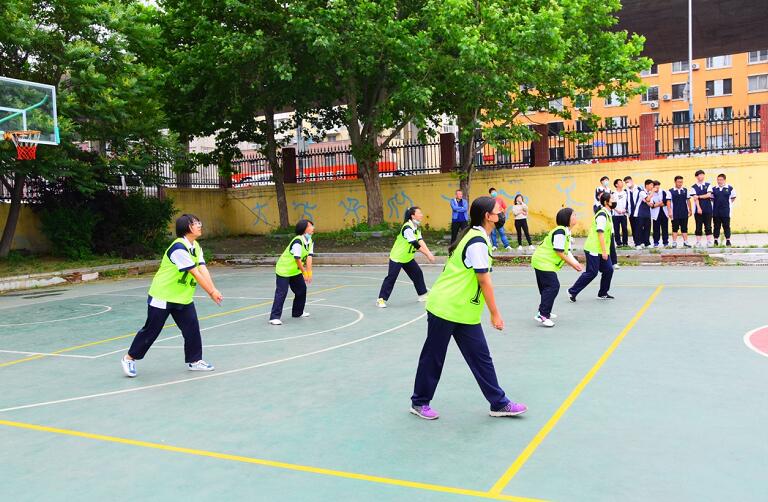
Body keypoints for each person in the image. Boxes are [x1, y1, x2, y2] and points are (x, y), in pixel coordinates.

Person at [410, 196, 527, 420]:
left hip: (464, 310)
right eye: (498, 211)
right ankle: (419, 402)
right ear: (488, 216)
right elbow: (484, 281)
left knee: (481, 358)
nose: (502, 214)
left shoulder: (477, 236)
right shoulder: (477, 242)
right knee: (434, 356)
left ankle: (499, 403)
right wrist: (495, 314)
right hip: (446, 307)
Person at [121, 214, 223, 378]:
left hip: (182, 297)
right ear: (187, 227)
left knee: (192, 329)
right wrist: (211, 292)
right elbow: (195, 273)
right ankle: (129, 358)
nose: (199, 225)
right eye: (196, 223)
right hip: (163, 296)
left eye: (199, 222)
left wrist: (214, 289)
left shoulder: (196, 246)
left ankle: (195, 361)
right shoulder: (178, 249)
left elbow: (202, 268)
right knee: (152, 330)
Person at [531, 208, 582, 327]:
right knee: (553, 286)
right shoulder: (560, 232)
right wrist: (572, 264)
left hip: (543, 262)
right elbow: (559, 251)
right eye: (573, 215)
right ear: (567, 218)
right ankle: (543, 315)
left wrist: (575, 262)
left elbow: (566, 251)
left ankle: (544, 311)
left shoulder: (566, 232)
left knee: (547, 288)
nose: (576, 217)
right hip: (543, 261)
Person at [377, 206, 436, 308]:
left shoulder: (416, 227)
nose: (421, 215)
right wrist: (427, 255)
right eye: (419, 213)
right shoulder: (407, 228)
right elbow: (415, 244)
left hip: (407, 258)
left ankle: (422, 295)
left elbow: (420, 241)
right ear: (413, 215)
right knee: (391, 278)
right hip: (397, 257)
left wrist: (429, 252)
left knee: (417, 273)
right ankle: (381, 299)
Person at [568, 192, 615, 301]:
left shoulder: (608, 214)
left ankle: (602, 293)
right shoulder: (602, 215)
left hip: (602, 249)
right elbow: (600, 233)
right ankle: (572, 291)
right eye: (612, 199)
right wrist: (604, 251)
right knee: (592, 272)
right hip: (593, 249)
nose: (614, 201)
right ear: (606, 202)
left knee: (609, 269)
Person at [269, 219, 314, 325]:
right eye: (310, 226)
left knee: (301, 289)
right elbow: (297, 259)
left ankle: (298, 312)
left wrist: (309, 273)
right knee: (282, 292)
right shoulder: (297, 241)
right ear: (304, 229)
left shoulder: (310, 241)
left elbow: (309, 257)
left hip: (294, 270)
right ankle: (274, 317)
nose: (313, 228)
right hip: (284, 269)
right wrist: (304, 272)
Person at [711, 173, 737, 246]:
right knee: (716, 226)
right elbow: (712, 199)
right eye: (718, 180)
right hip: (716, 211)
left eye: (721, 180)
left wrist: (726, 204)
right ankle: (715, 240)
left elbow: (733, 198)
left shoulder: (730, 188)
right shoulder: (714, 189)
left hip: (726, 211)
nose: (719, 181)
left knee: (726, 226)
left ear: (724, 180)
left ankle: (728, 240)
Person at [691, 169, 714, 247]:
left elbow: (708, 195)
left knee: (708, 226)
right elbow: (695, 198)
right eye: (699, 175)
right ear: (696, 177)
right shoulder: (693, 187)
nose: (701, 176)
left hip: (708, 209)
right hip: (698, 210)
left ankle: (709, 242)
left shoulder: (708, 185)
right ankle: (698, 242)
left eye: (702, 175)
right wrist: (699, 208)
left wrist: (699, 196)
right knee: (698, 226)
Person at [668, 175, 692, 248]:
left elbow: (688, 201)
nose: (680, 183)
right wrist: (669, 211)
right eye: (678, 182)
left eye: (681, 182)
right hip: (674, 213)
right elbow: (668, 202)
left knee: (684, 227)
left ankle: (685, 242)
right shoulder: (670, 191)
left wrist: (690, 210)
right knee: (675, 228)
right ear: (675, 182)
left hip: (684, 212)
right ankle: (674, 242)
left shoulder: (685, 190)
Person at [651, 180, 670, 248]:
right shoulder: (651, 194)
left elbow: (665, 202)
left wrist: (656, 204)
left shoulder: (663, 192)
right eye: (655, 187)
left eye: (658, 186)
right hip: (655, 213)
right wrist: (659, 203)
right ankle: (656, 242)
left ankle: (665, 242)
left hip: (664, 212)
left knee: (665, 228)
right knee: (656, 228)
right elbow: (652, 205)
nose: (657, 188)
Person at [612, 178, 629, 248]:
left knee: (624, 228)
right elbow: (611, 203)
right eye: (620, 182)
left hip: (623, 214)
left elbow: (628, 202)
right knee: (616, 229)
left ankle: (625, 243)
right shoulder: (613, 193)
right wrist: (616, 210)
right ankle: (618, 243)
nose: (622, 183)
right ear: (616, 184)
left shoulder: (625, 193)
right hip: (615, 214)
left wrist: (625, 209)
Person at [624, 176, 642, 246]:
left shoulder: (639, 189)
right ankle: (636, 242)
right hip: (631, 212)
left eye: (628, 182)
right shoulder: (626, 191)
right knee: (633, 228)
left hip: (638, 212)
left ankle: (641, 242)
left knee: (639, 228)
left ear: (631, 181)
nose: (627, 184)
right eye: (626, 183)